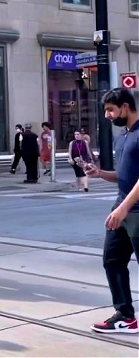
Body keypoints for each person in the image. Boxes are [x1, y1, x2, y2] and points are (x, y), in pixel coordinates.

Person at [86, 88, 139, 334]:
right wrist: (100, 174)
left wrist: (123, 208)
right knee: (112, 260)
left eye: (110, 110)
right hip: (121, 208)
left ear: (125, 107)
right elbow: (124, 176)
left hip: (135, 212)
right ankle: (126, 316)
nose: (107, 115)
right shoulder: (122, 136)